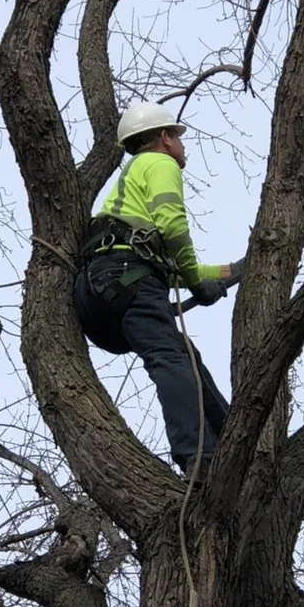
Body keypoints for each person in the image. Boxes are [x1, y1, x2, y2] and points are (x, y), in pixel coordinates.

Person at [74, 102, 241, 478]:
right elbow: (172, 226)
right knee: (172, 360)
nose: (182, 146)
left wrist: (228, 272)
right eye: (178, 137)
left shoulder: (130, 188)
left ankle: (230, 436)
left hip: (100, 294)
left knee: (185, 358)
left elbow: (164, 266)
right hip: (128, 280)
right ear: (164, 138)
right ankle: (200, 457)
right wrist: (197, 284)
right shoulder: (159, 163)